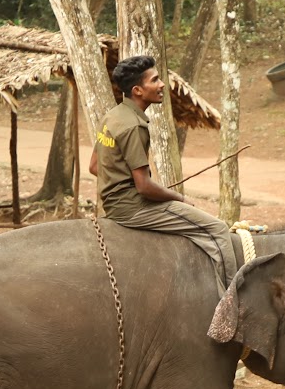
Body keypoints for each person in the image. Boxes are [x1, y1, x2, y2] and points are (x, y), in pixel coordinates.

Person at [88, 54, 237, 293]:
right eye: (155, 80)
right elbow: (144, 187)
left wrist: (120, 182)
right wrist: (180, 198)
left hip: (116, 204)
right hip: (132, 208)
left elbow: (95, 166)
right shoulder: (134, 126)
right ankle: (231, 301)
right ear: (138, 90)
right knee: (217, 229)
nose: (162, 85)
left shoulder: (112, 116)